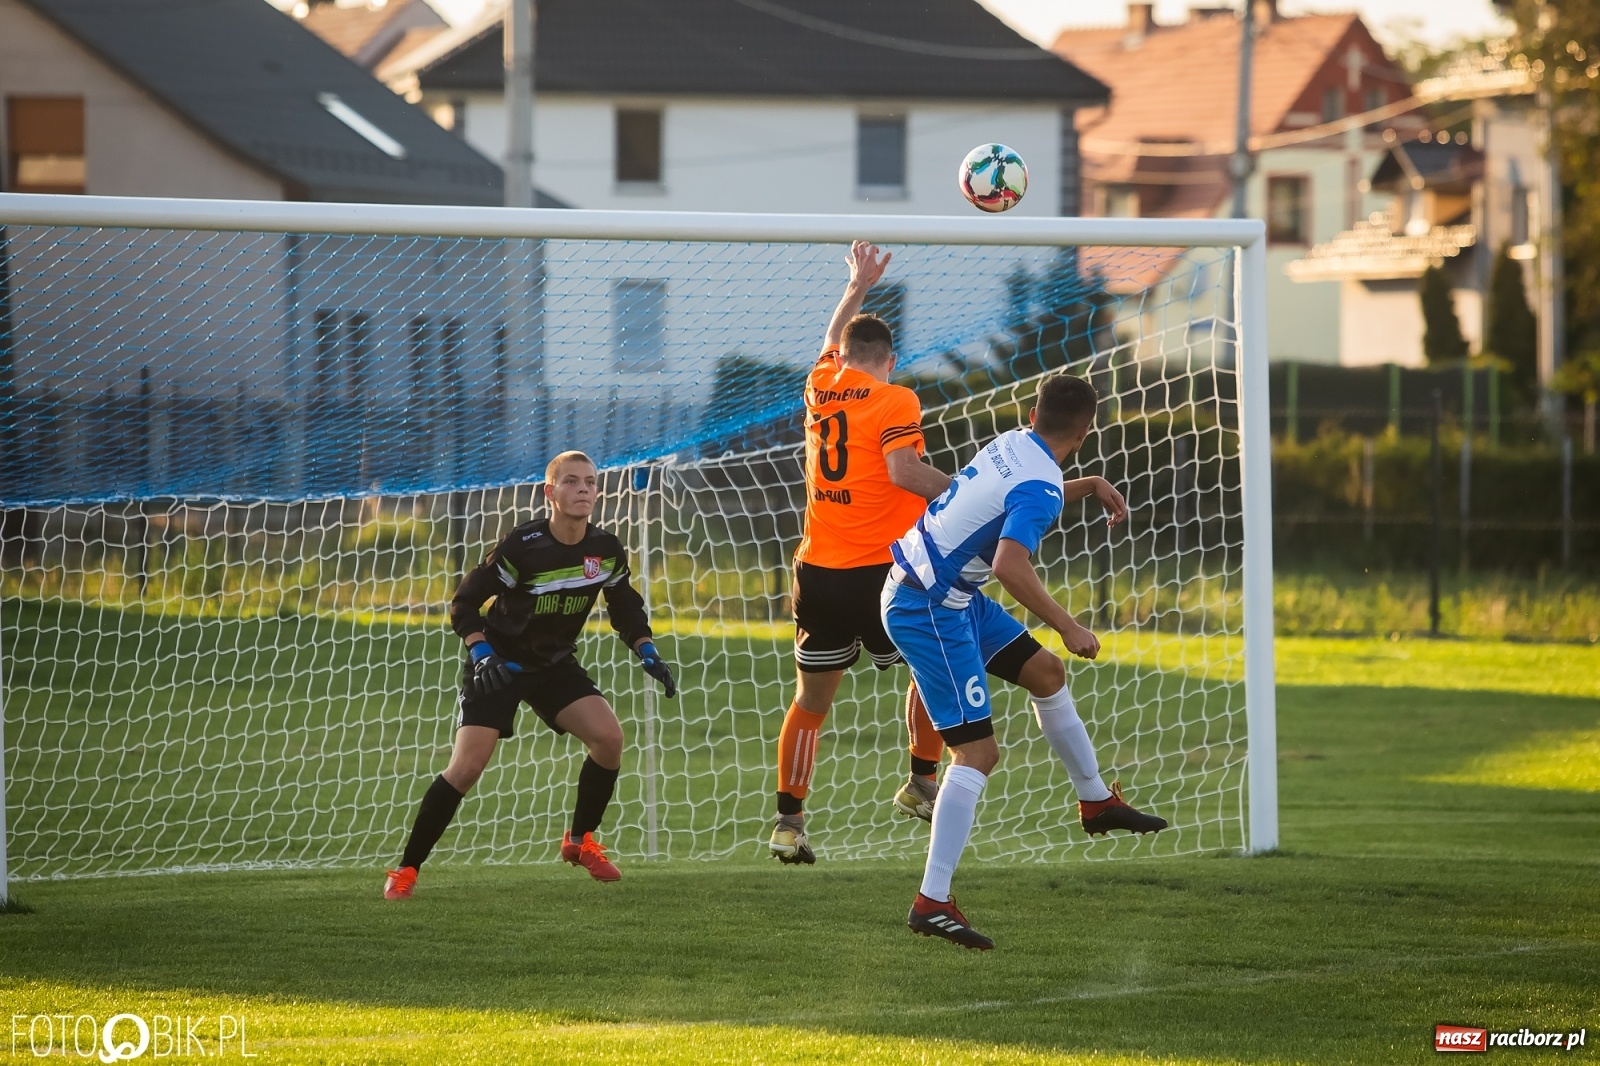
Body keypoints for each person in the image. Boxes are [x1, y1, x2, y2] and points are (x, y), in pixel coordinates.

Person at [881, 373, 1167, 949]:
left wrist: (1086, 485)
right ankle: (931, 901)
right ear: (1086, 430)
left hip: (947, 590)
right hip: (928, 606)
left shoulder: (1013, 443)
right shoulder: (1041, 487)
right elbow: (1011, 565)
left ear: (1032, 411)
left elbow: (1018, 491)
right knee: (978, 754)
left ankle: (1095, 802)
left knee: (1046, 673)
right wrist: (1070, 626)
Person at [383, 451, 676, 899]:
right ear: (550, 492)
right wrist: (482, 654)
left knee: (609, 739)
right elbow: (464, 603)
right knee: (466, 768)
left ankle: (580, 841)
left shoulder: (605, 550)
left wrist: (646, 649)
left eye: (590, 483)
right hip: (500, 664)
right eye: (572, 482)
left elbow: (624, 607)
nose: (583, 490)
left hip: (553, 664)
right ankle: (405, 870)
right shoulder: (523, 545)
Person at [769, 240, 952, 865]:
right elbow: (905, 473)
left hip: (818, 571)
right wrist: (972, 493)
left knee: (811, 703)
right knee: (937, 664)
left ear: (843, 357)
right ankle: (922, 781)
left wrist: (856, 287)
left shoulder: (819, 385)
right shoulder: (896, 399)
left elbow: (830, 338)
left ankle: (788, 824)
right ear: (891, 361)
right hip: (884, 571)